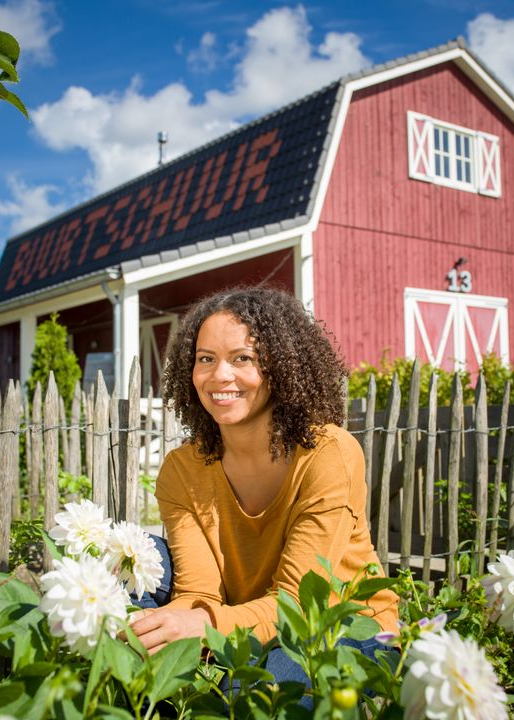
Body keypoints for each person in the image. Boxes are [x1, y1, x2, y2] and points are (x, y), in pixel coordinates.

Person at [129, 287, 398, 682]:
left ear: (283, 367)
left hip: (341, 623)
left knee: (266, 688)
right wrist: (165, 626)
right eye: (206, 359)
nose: (220, 375)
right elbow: (197, 591)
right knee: (134, 561)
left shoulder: (328, 454)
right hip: (242, 613)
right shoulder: (182, 470)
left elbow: (299, 605)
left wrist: (202, 627)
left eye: (243, 359)